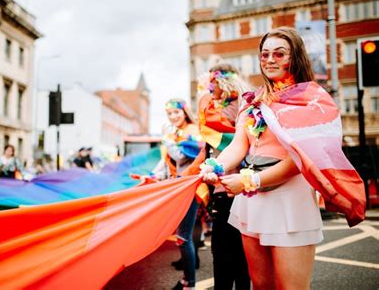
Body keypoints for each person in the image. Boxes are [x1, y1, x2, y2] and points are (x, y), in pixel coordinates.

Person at [202, 27, 365, 289]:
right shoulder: (253, 101)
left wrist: (250, 181)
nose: (270, 59)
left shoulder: (312, 100)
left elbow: (304, 158)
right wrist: (215, 165)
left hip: (290, 199)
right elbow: (238, 145)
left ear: (296, 57)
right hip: (252, 201)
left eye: (279, 54)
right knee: (261, 285)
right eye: (265, 54)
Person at [197, 63, 251, 289]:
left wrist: (202, 95)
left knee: (225, 255)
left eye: (212, 82)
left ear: (221, 81)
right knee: (237, 255)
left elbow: (208, 120)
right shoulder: (238, 106)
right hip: (231, 187)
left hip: (232, 188)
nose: (210, 88)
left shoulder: (232, 109)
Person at [152, 98, 204, 290]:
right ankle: (187, 281)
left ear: (185, 112)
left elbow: (182, 157)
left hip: (189, 189)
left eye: (176, 112)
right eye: (169, 114)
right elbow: (168, 160)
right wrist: (153, 174)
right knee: (183, 237)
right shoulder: (177, 133)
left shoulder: (193, 132)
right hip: (179, 188)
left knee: (184, 237)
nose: (173, 117)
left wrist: (167, 139)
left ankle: (189, 284)